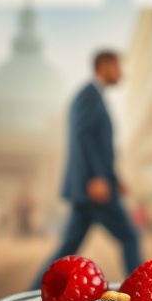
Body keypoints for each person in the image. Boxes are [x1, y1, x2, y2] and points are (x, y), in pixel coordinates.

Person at [31, 50, 142, 286]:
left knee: (67, 246)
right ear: (104, 66)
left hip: (93, 187)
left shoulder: (95, 96)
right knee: (130, 236)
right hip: (94, 189)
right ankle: (143, 293)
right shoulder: (89, 95)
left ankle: (29, 293)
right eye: (118, 67)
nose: (122, 73)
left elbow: (98, 145)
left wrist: (113, 176)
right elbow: (84, 137)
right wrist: (98, 177)